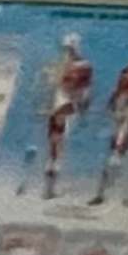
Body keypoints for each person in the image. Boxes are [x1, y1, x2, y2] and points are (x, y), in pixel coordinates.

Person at [40, 32, 96, 196]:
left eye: (69, 48)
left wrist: (83, 107)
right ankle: (49, 186)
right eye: (66, 48)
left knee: (58, 144)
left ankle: (51, 185)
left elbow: (85, 89)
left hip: (68, 105)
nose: (67, 52)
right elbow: (50, 86)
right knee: (54, 144)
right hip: (59, 105)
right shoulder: (60, 65)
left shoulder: (82, 66)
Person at [101, 59, 128, 209]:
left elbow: (112, 108)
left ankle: (123, 196)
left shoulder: (124, 91)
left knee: (123, 161)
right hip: (125, 126)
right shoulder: (122, 92)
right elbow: (112, 108)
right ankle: (106, 193)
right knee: (116, 159)